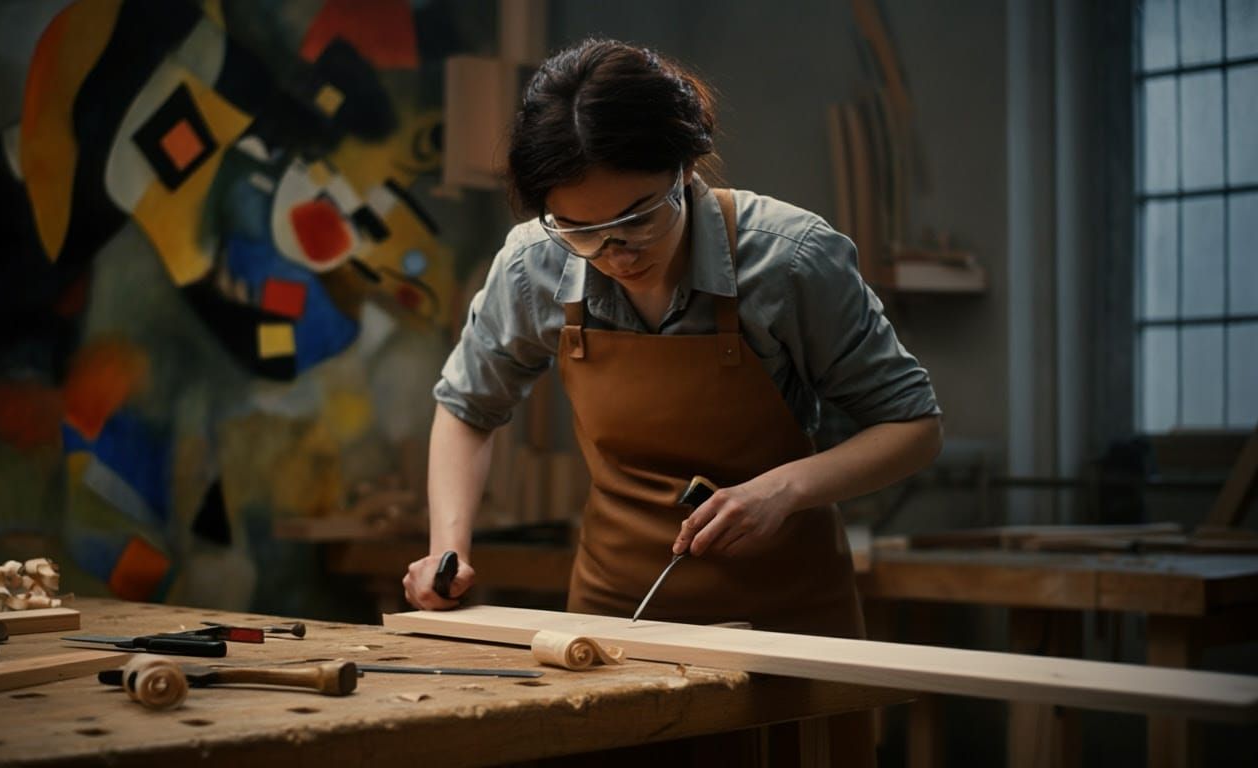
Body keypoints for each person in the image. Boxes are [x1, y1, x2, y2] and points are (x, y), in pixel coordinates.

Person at [403, 37, 941, 764]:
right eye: (582, 231)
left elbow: (913, 425)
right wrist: (448, 547)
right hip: (615, 622)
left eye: (638, 218)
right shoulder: (534, 263)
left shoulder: (791, 259)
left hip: (785, 623)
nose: (617, 252)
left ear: (685, 168)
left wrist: (780, 491)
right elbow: (468, 409)